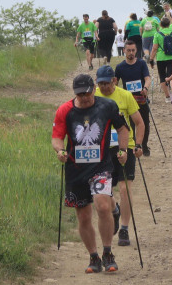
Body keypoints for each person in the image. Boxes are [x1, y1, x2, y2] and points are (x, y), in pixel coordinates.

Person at [52, 74, 129, 273]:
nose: (84, 97)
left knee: (102, 205)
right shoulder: (65, 110)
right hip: (76, 170)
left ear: (94, 89)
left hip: (101, 166)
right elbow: (57, 137)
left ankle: (108, 253)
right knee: (84, 216)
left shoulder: (107, 106)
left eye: (87, 93)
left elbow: (122, 129)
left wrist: (123, 150)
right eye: (80, 94)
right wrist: (60, 151)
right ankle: (93, 257)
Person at [94, 64, 146, 248]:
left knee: (124, 189)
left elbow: (139, 123)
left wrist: (138, 145)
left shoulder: (125, 96)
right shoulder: (93, 98)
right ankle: (114, 210)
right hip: (101, 150)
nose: (104, 87)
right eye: (100, 84)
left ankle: (124, 228)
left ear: (114, 81)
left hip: (125, 147)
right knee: (104, 191)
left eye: (106, 83)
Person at [113, 39, 153, 156]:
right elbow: (115, 83)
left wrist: (145, 88)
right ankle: (133, 145)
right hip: (127, 101)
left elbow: (147, 78)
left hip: (141, 99)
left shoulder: (141, 64)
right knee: (130, 125)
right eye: (128, 50)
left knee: (144, 123)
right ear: (124, 50)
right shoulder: (120, 67)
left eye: (133, 50)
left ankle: (143, 145)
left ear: (136, 51)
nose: (131, 52)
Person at [150, 17, 172, 103]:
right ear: (169, 24)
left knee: (162, 76)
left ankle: (167, 96)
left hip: (161, 58)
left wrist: (151, 59)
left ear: (160, 24)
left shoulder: (157, 34)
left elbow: (154, 48)